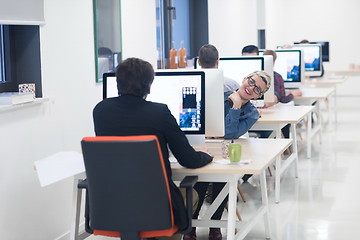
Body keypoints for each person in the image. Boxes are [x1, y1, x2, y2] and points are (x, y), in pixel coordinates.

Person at [93, 57, 213, 240]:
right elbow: (189, 160)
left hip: (113, 204)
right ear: (149, 86)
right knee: (192, 194)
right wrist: (206, 156)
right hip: (156, 207)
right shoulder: (159, 112)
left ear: (117, 82)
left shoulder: (100, 110)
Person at [183, 70, 271, 240]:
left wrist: (236, 106)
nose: (251, 88)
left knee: (222, 179)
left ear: (258, 96)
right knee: (201, 179)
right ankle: (191, 225)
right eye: (251, 82)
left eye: (258, 89)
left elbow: (229, 134)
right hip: (203, 147)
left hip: (226, 152)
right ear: (244, 78)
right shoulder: (215, 96)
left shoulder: (252, 114)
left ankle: (215, 226)